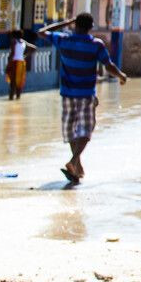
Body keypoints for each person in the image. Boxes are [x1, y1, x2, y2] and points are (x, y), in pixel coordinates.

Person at [42, 13, 127, 185]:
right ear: (91, 26)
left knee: (72, 130)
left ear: (75, 25)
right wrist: (121, 76)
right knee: (86, 130)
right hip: (86, 94)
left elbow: (42, 32)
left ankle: (76, 166)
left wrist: (65, 23)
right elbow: (108, 65)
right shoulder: (95, 45)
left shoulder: (64, 40)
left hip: (67, 94)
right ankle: (74, 162)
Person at [6, 29, 30, 100]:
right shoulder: (23, 42)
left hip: (15, 63)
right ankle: (18, 98)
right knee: (19, 82)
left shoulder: (14, 41)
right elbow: (34, 48)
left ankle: (11, 98)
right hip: (22, 63)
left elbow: (12, 54)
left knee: (12, 83)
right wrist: (24, 56)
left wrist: (8, 65)